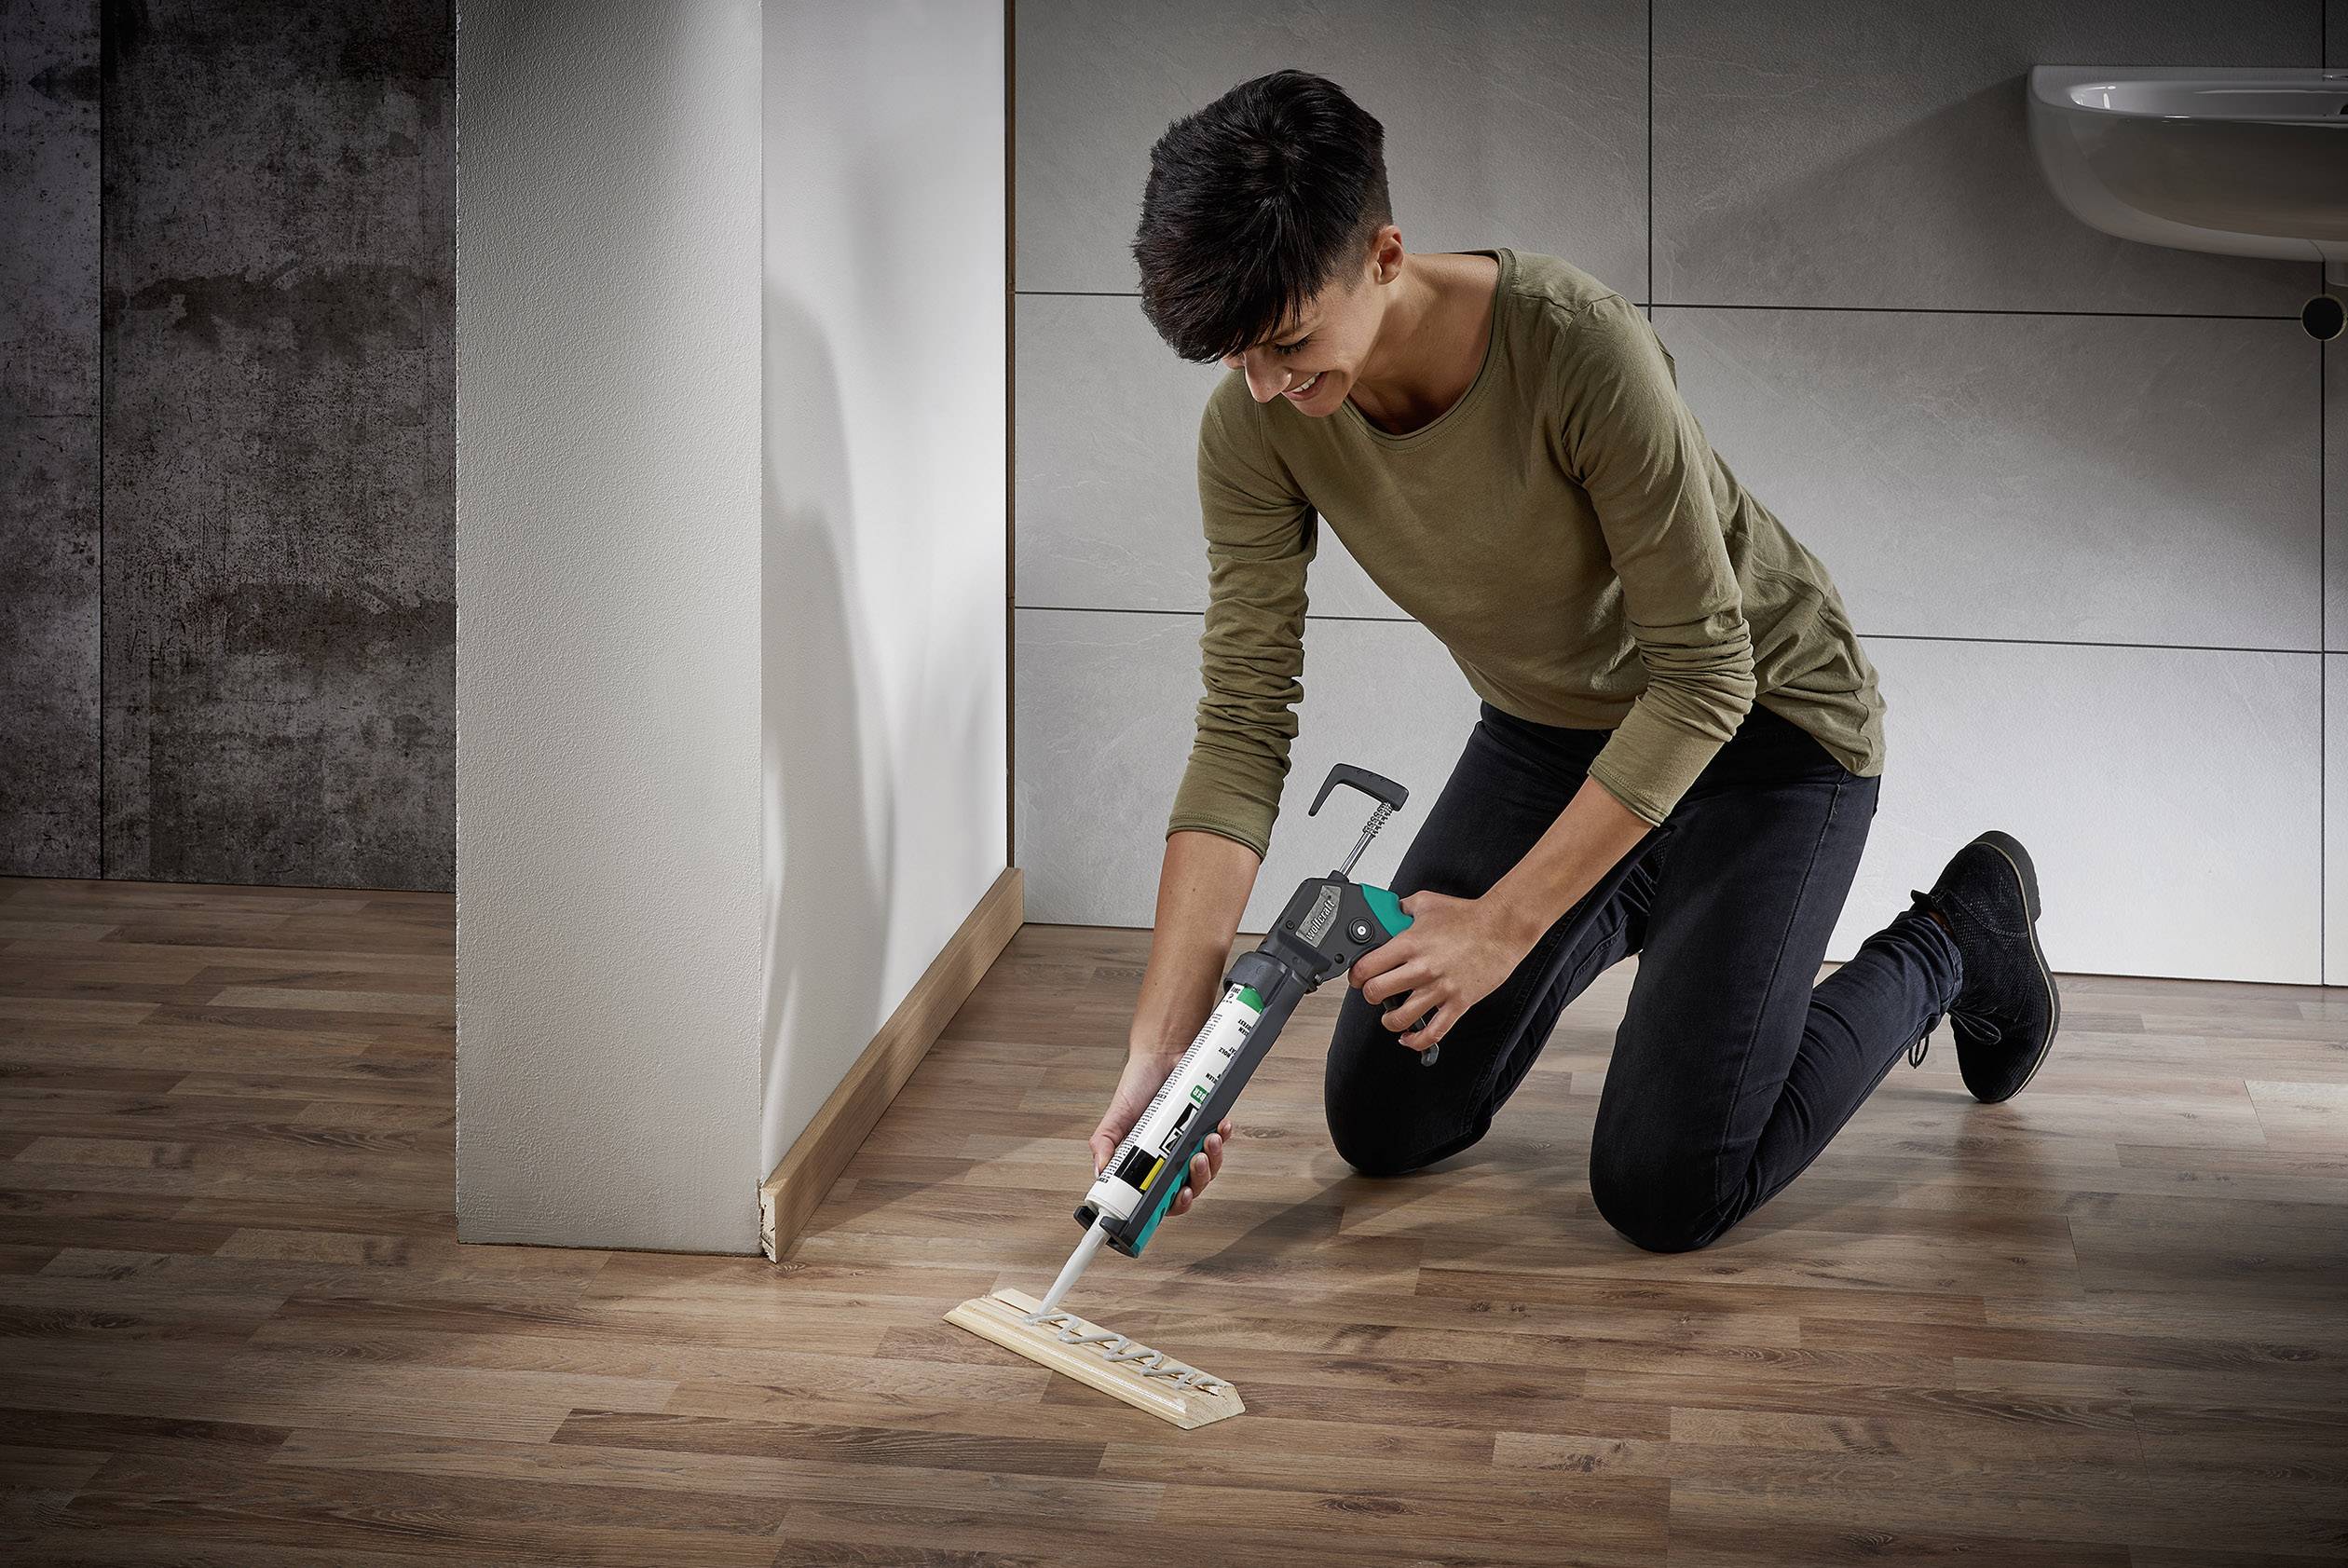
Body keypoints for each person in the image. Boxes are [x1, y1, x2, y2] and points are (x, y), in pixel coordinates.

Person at [1087, 68, 2060, 1253]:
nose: (1268, 388)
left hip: (1768, 734)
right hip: (1555, 736)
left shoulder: (1576, 346)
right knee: (1387, 1119)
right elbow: (1243, 723)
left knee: (1665, 1189)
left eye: (1289, 342)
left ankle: (1960, 936)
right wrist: (1162, 1054)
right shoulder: (1258, 422)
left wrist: (1502, 924)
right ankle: (1637, 877)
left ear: (1385, 254)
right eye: (1235, 358)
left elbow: (1708, 676)